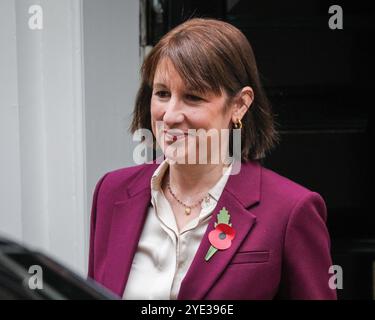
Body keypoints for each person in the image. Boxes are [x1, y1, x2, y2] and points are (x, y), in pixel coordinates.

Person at [88, 18, 337, 300]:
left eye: (193, 97)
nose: (170, 115)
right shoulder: (112, 192)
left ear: (239, 105)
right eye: (162, 94)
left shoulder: (291, 211)